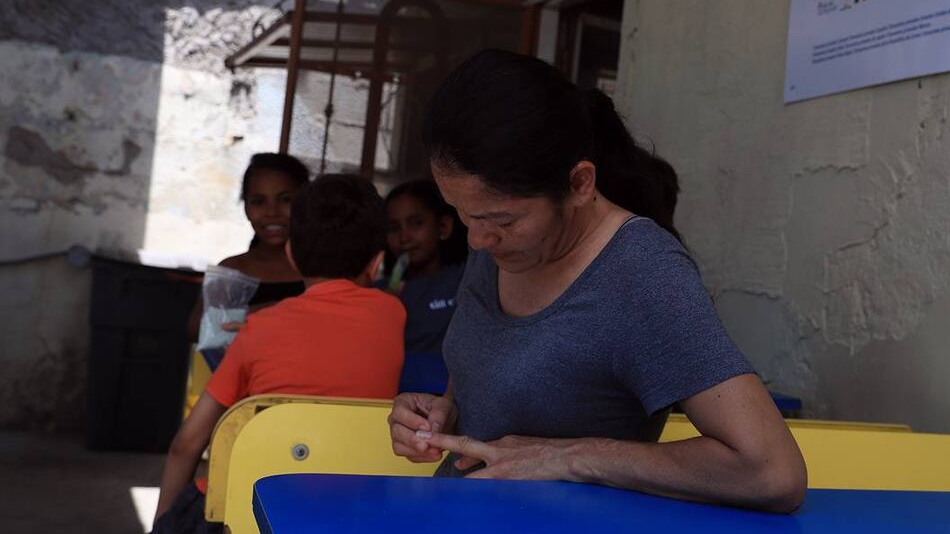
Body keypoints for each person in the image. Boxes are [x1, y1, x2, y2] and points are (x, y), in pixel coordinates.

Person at [387, 50, 807, 512]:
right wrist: (444, 411)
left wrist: (567, 457)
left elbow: (771, 470)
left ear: (580, 183)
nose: (478, 238)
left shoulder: (642, 272)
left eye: (500, 219)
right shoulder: (497, 242)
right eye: (461, 214)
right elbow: (496, 377)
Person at [153, 174, 406, 533]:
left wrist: (162, 525)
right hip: (348, 510)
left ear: (290, 253)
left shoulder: (259, 329)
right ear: (377, 262)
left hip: (245, 511)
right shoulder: (393, 314)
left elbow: (187, 444)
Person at [186, 153, 310, 343]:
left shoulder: (323, 266)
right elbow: (196, 330)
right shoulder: (232, 270)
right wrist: (260, 313)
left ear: (305, 203)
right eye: (258, 202)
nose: (272, 212)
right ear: (245, 206)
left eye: (286, 200)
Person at [382, 179, 468, 356]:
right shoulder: (377, 293)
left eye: (416, 223)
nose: (404, 237)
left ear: (444, 227)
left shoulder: (466, 281)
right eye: (393, 228)